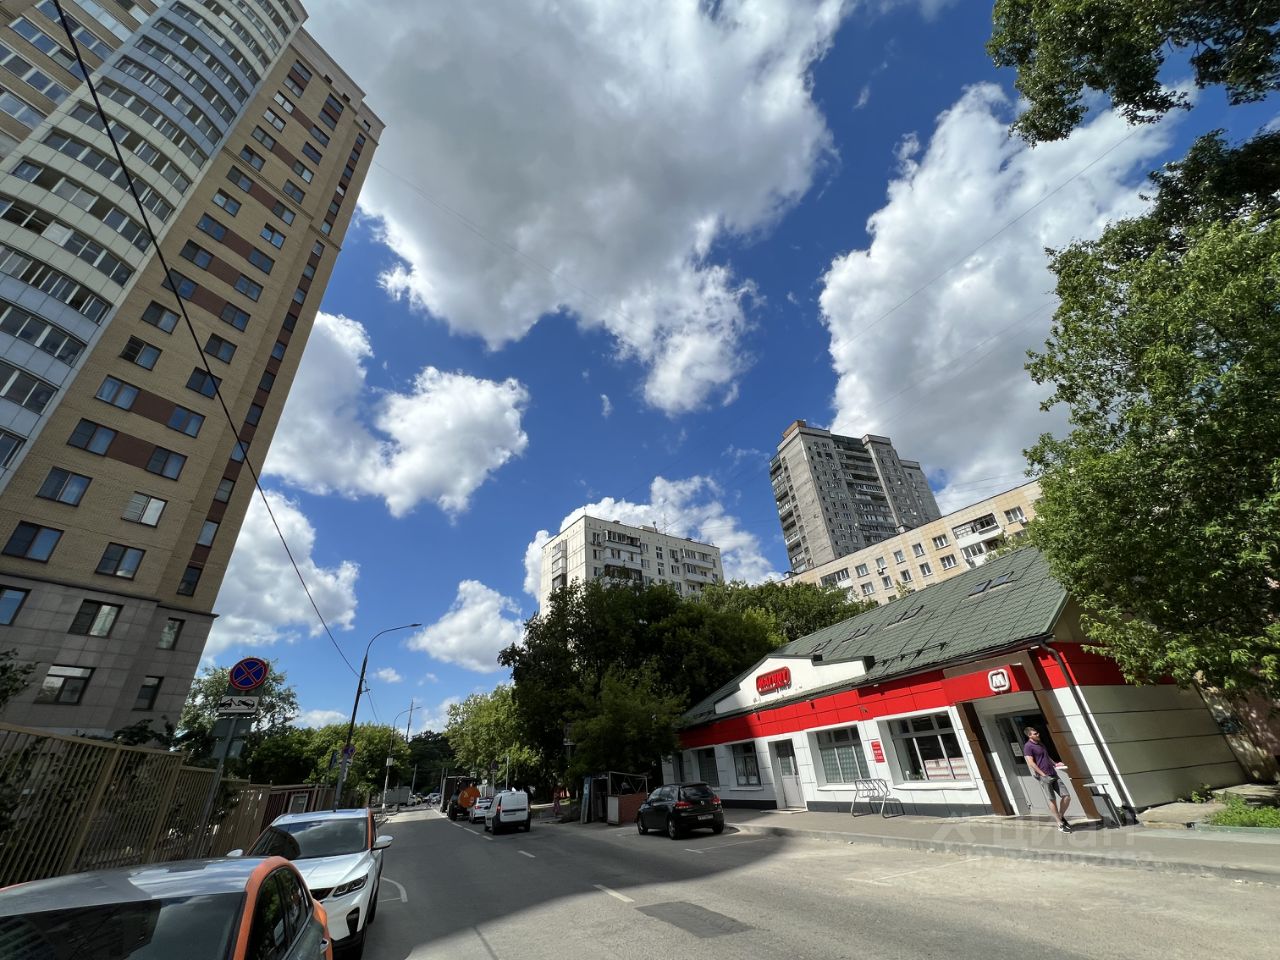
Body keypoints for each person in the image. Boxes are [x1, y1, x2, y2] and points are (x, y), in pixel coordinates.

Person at [1023, 726, 1072, 833]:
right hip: (1044, 777)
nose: (1038, 734)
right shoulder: (1028, 746)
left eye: (1037, 732)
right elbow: (1031, 763)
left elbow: (1047, 756)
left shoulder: (1040, 744)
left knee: (1067, 797)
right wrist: (1043, 775)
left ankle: (1060, 816)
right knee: (1052, 800)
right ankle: (1059, 824)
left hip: (1053, 773)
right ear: (1029, 736)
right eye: (1035, 734)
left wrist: (1055, 764)